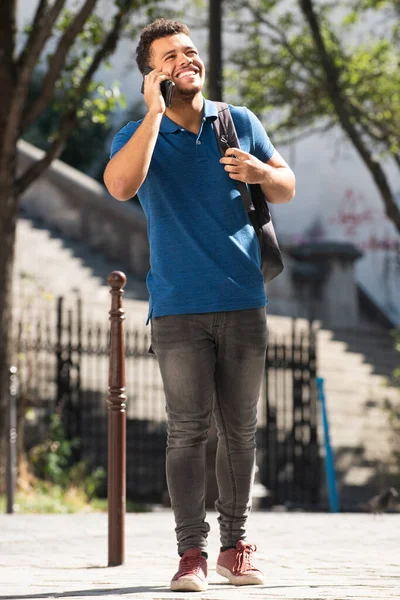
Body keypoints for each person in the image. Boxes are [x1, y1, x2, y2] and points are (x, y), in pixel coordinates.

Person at [104, 18, 295, 593]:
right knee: (186, 431)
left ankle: (235, 548)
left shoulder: (237, 122)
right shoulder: (138, 135)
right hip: (177, 307)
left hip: (243, 299)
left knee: (240, 430)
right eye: (171, 56)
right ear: (151, 74)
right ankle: (191, 555)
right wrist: (155, 114)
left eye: (190, 51)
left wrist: (261, 172)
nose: (187, 59)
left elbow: (285, 185)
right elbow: (119, 186)